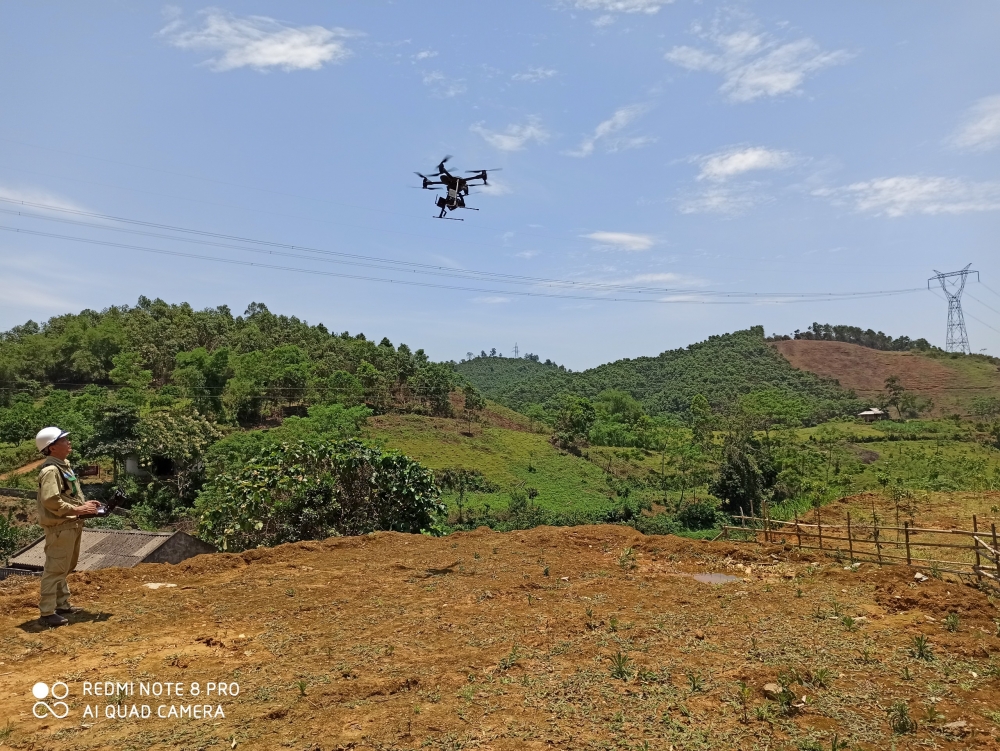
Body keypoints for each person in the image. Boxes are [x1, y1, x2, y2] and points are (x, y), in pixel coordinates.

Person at [34, 427, 99, 627]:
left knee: (64, 567)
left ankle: (62, 605)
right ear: (52, 448)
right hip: (61, 526)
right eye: (63, 440)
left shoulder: (63, 466)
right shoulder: (51, 471)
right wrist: (79, 509)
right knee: (55, 569)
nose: (68, 442)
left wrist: (85, 507)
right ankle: (47, 612)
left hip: (70, 523)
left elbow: (66, 496)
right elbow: (51, 501)